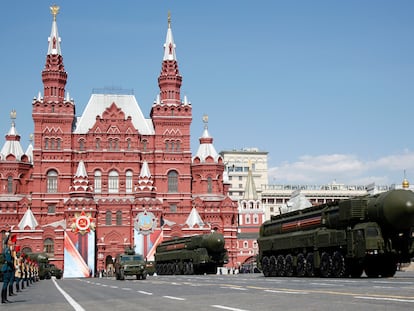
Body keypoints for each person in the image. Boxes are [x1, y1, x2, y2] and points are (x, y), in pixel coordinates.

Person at [2, 232, 13, 303]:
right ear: (7, 242)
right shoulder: (7, 250)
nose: (11, 241)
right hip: (7, 268)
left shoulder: (8, 249)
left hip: (8, 268)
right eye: (10, 240)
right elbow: (9, 260)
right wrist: (13, 265)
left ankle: (5, 298)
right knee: (5, 284)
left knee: (6, 283)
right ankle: (3, 299)